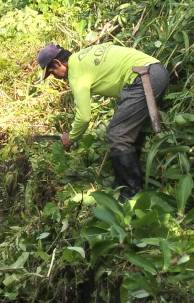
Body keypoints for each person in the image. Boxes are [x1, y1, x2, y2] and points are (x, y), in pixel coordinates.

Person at [37, 42, 169, 198]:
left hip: (143, 78)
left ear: (58, 62)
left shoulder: (76, 73)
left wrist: (71, 138)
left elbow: (84, 117)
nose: (56, 77)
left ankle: (131, 194)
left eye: (52, 72)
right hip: (156, 70)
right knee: (131, 132)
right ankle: (123, 182)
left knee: (117, 134)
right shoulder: (84, 55)